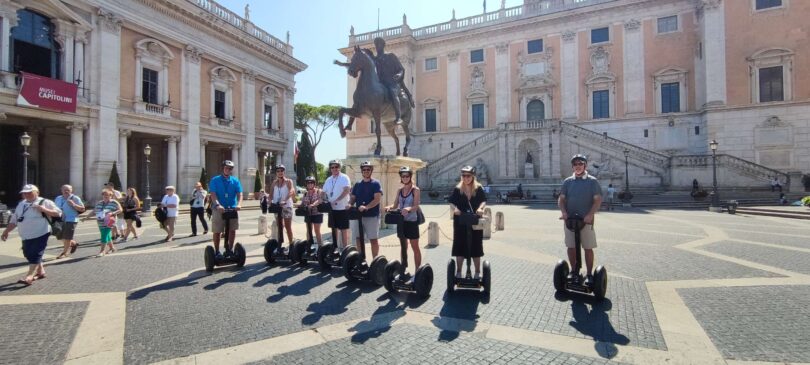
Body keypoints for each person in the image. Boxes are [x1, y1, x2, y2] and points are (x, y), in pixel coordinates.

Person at [1, 185, 62, 285]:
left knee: (36, 253)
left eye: (29, 192)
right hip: (25, 234)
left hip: (41, 232)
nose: (27, 194)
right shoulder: (21, 204)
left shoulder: (45, 202)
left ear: (37, 192)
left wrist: (43, 209)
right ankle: (41, 271)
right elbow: (14, 219)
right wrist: (6, 231)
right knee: (28, 253)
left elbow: (58, 213)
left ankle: (29, 276)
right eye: (25, 193)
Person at [558, 154, 603, 286]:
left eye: (580, 164)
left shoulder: (592, 181)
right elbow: (561, 199)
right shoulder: (568, 181)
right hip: (570, 221)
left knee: (588, 248)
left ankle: (589, 274)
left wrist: (590, 214)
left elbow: (597, 200)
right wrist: (564, 212)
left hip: (586, 221)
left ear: (585, 166)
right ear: (572, 166)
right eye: (575, 164)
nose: (578, 166)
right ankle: (574, 271)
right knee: (571, 247)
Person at [384, 166, 421, 283]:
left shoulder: (416, 190)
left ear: (410, 176)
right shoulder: (399, 190)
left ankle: (418, 272)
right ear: (401, 177)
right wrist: (389, 207)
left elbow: (416, 206)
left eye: (407, 176)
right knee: (403, 246)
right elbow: (395, 205)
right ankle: (403, 269)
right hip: (401, 222)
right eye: (403, 176)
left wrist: (408, 208)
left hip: (411, 222)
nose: (405, 178)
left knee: (415, 246)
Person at [448, 166, 487, 279]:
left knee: (476, 245)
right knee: (459, 244)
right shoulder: (457, 189)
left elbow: (483, 201)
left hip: (474, 219)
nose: (466, 178)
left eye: (468, 176)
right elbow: (451, 202)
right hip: (460, 219)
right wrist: (454, 209)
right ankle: (459, 271)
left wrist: (480, 209)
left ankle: (477, 272)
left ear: (473, 176)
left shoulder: (478, 188)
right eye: (464, 176)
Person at [209, 160, 242, 259]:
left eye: (230, 168)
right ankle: (217, 251)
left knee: (232, 230)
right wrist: (218, 205)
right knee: (217, 231)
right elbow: (213, 194)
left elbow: (239, 193)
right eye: (226, 168)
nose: (228, 170)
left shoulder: (235, 181)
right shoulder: (215, 180)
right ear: (223, 168)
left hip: (232, 208)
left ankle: (230, 249)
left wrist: (239, 204)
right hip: (219, 209)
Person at [349, 161, 383, 258]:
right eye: (364, 170)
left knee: (373, 239)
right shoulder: (358, 184)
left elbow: (377, 199)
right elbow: (353, 197)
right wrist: (349, 204)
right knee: (358, 238)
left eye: (368, 169)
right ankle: (361, 259)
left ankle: (375, 261)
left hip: (371, 216)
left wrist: (366, 207)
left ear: (371, 170)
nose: (366, 171)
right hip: (359, 216)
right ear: (362, 171)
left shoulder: (376, 183)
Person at [325, 159, 351, 250]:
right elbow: (323, 192)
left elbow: (347, 190)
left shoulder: (344, 177)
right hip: (332, 209)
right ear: (330, 169)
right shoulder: (328, 179)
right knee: (334, 229)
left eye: (336, 167)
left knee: (344, 230)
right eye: (332, 167)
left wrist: (337, 200)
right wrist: (322, 198)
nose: (334, 169)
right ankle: (335, 248)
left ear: (339, 168)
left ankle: (345, 250)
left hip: (342, 208)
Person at [54, 184, 85, 259]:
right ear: (61, 190)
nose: (66, 191)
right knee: (59, 236)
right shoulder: (58, 198)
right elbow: (54, 208)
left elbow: (82, 209)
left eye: (68, 189)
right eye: (64, 189)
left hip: (71, 220)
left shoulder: (75, 198)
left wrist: (73, 204)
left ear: (71, 190)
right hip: (59, 220)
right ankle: (73, 243)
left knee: (67, 237)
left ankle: (64, 253)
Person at [94, 189, 123, 257]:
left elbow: (120, 210)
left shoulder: (114, 202)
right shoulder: (99, 203)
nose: (106, 196)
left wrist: (113, 213)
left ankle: (102, 251)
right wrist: (87, 217)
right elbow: (94, 211)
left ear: (111, 195)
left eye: (108, 195)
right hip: (100, 222)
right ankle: (112, 248)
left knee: (104, 235)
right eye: (104, 195)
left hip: (110, 221)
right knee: (106, 235)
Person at [270, 164, 295, 243]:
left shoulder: (288, 181)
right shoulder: (274, 183)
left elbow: (292, 191)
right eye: (278, 171)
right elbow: (271, 195)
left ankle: (291, 244)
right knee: (279, 226)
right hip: (277, 207)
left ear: (284, 172)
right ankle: (280, 244)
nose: (280, 172)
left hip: (286, 207)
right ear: (276, 173)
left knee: (288, 227)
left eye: (282, 171)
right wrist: (267, 200)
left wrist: (285, 200)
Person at [299, 176, 324, 245]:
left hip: (317, 214)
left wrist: (313, 204)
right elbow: (302, 203)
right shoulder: (305, 193)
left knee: (317, 230)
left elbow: (320, 200)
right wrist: (296, 205)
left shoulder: (319, 191)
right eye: (308, 183)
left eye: (311, 182)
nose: (310, 184)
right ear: (306, 184)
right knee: (309, 230)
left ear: (314, 183)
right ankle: (308, 246)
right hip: (308, 214)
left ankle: (320, 247)